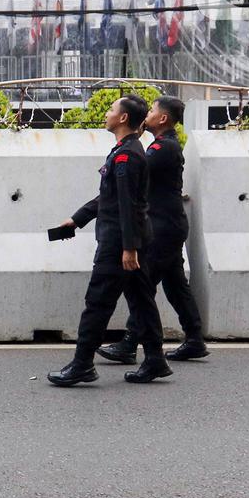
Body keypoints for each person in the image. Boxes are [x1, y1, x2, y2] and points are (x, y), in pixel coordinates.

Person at [48, 94, 172, 386]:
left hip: (119, 243)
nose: (107, 113)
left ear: (124, 118)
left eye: (111, 109)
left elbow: (127, 205)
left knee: (98, 302)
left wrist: (128, 249)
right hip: (133, 240)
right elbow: (108, 196)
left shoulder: (127, 155)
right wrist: (78, 219)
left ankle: (82, 365)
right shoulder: (125, 151)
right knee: (142, 302)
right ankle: (155, 359)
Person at [98, 96, 208, 364]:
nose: (146, 115)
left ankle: (129, 343)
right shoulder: (161, 145)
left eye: (152, 112)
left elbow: (136, 170)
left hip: (163, 227)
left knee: (142, 286)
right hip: (168, 225)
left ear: (163, 119)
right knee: (175, 285)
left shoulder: (163, 148)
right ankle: (194, 339)